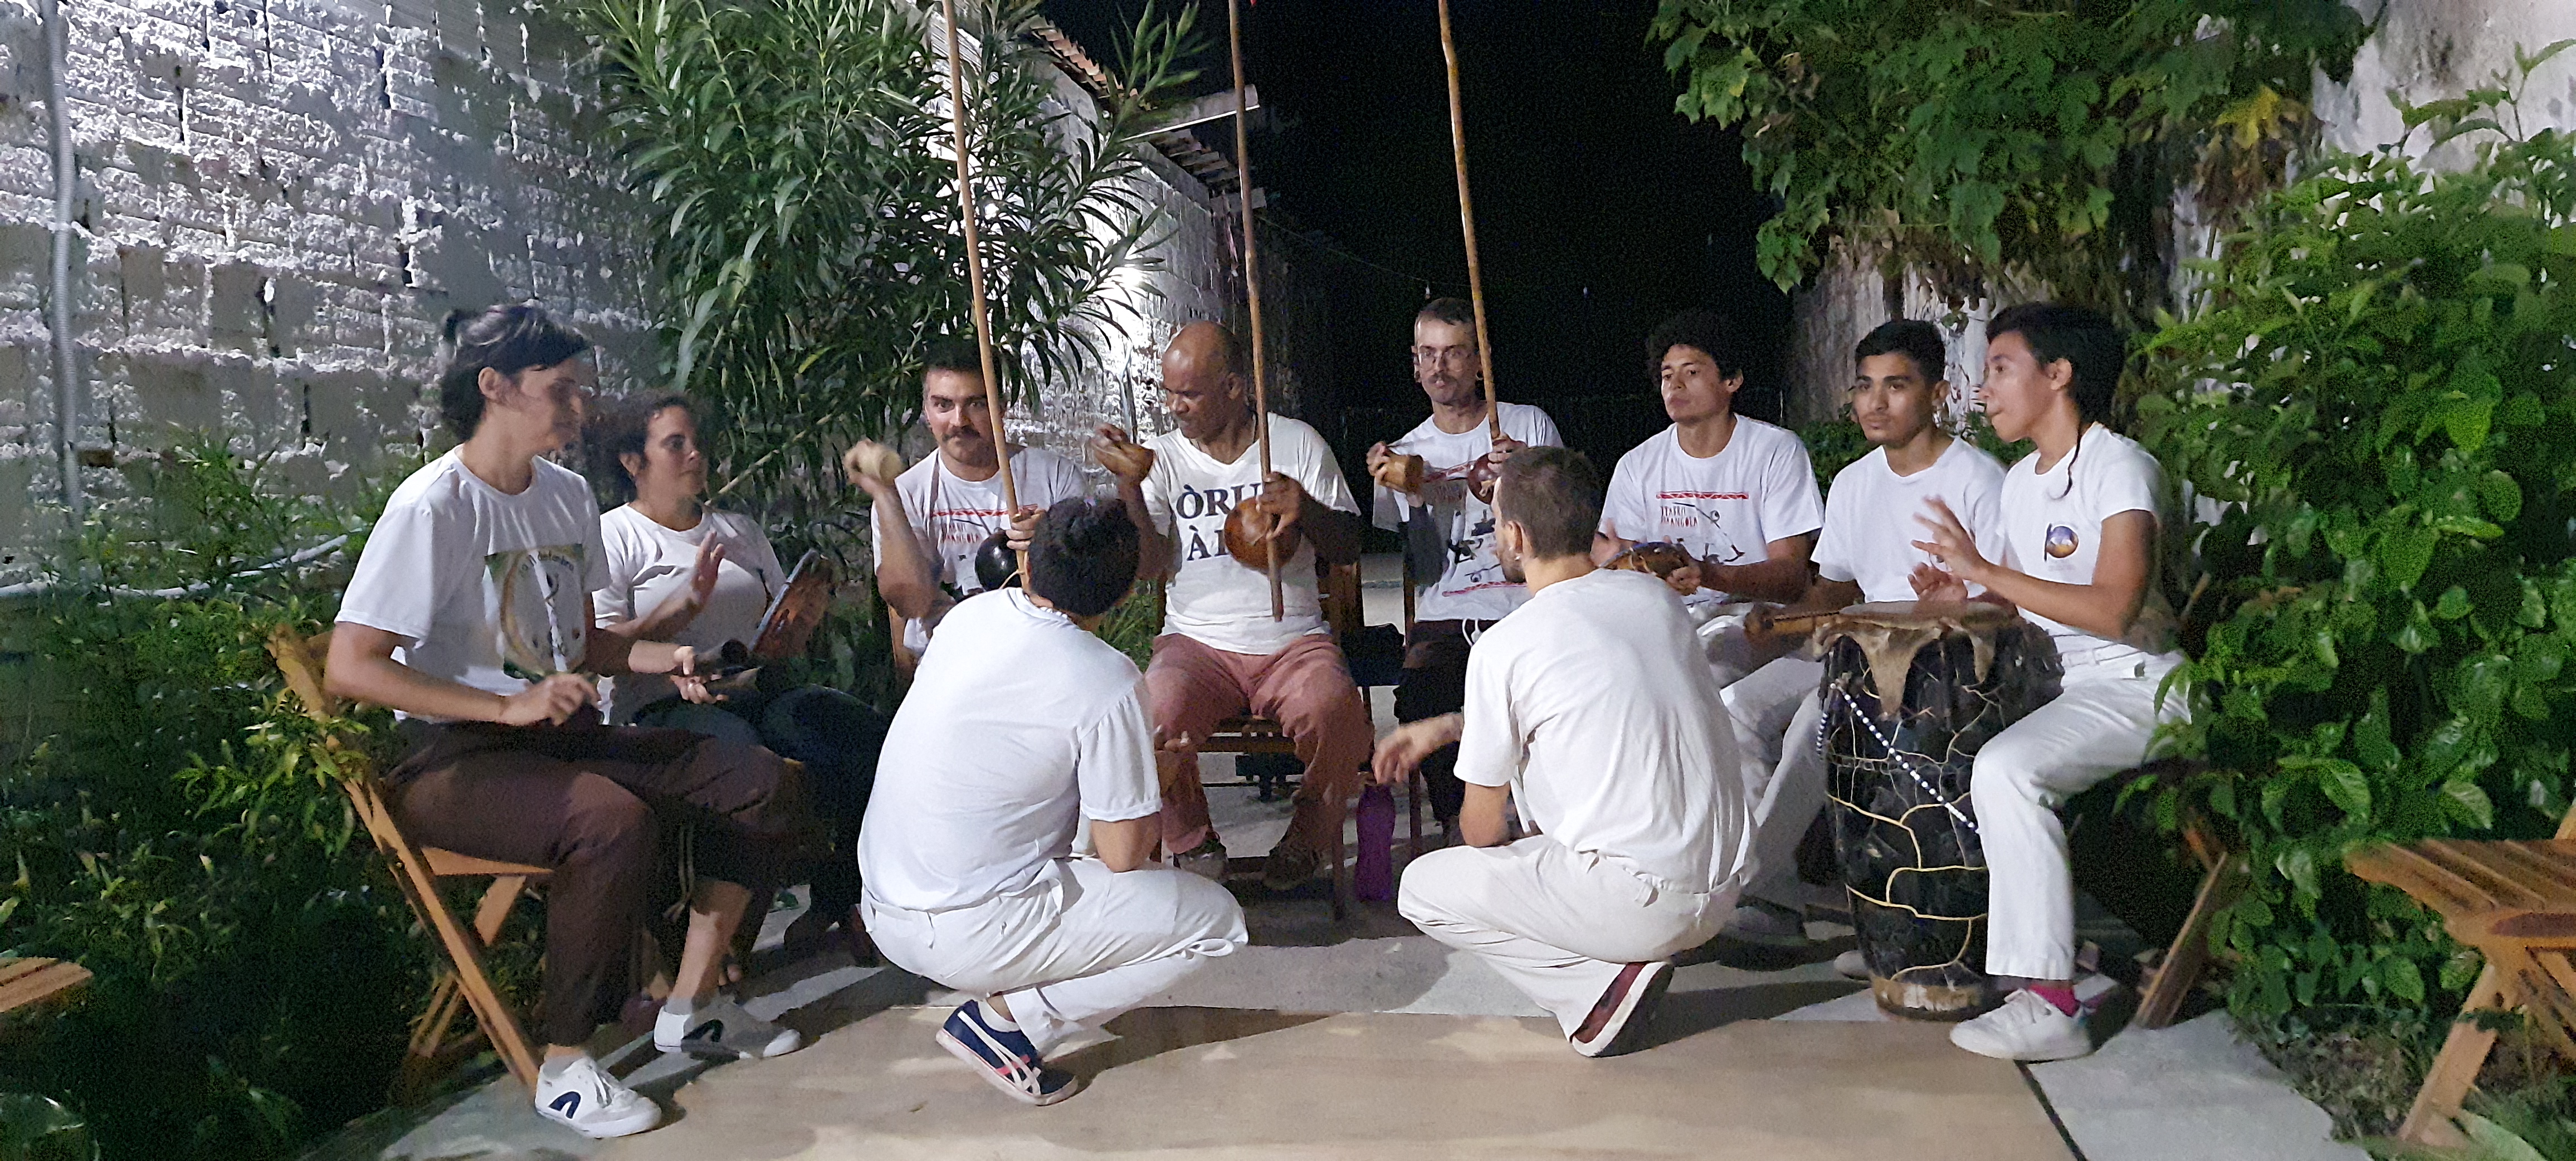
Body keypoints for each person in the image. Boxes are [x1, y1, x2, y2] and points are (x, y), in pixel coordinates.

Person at [326, 305, 806, 1140]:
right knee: (608, 818)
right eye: (561, 389)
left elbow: (583, 644)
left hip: (559, 739)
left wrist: (668, 654)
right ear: (495, 387)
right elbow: (351, 666)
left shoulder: (566, 495)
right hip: (451, 759)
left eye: (580, 389)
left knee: (759, 779)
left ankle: (692, 1006)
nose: (581, 407)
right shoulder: (434, 506)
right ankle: (566, 1066)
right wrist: (504, 704)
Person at [858, 499, 1248, 1105]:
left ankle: (1012, 998)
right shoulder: (1107, 676)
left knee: (1080, 806)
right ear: (1125, 595)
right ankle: (1008, 1023)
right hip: (966, 927)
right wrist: (1156, 773)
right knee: (1216, 923)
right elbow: (1124, 855)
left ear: (1028, 567)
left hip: (883, 906)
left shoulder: (967, 617)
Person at [1383, 446, 1751, 1057]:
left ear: (1516, 535)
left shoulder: (1505, 646)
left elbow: (1480, 832)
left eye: (1496, 521)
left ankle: (1594, 989)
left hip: (1641, 903)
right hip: (1724, 890)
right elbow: (1584, 697)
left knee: (1422, 887)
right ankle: (1614, 950)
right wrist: (1453, 727)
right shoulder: (1655, 600)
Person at [1908, 303, 2187, 1062]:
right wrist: (1967, 595)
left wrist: (1986, 571)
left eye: (2001, 369)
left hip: (2143, 685)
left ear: (2058, 374)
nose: (1984, 389)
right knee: (1937, 743)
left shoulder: (2120, 468)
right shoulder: (2022, 483)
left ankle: (2050, 1003)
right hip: (2070, 688)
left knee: (2007, 769)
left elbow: (2114, 606)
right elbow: (2025, 597)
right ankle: (1938, 942)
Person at [1724, 320, 2009, 949]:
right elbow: (1833, 588)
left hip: (1938, 666)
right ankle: (1775, 896)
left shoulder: (1976, 479)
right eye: (1864, 386)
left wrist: (1950, 606)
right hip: (1853, 648)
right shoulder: (1856, 480)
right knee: (1737, 706)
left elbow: (2003, 605)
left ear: (1938, 394)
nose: (1875, 403)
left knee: (1818, 723)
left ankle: (1753, 889)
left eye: (1896, 386)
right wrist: (1785, 621)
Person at [586, 393, 891, 960]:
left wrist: (799, 623)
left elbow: (774, 630)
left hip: (755, 687)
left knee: (862, 734)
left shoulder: (738, 530)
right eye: (675, 444)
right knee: (746, 761)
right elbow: (603, 648)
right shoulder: (614, 537)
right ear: (633, 461)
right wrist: (679, 621)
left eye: (696, 441)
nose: (695, 454)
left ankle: (841, 897)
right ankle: (709, 939)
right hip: (664, 703)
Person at [1096, 321, 1372, 889]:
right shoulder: (1162, 458)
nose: (1175, 407)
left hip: (1292, 641)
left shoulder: (1295, 443)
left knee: (1337, 712)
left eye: (1189, 394)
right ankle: (1193, 840)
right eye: (1169, 393)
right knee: (1152, 713)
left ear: (1234, 388)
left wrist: (1305, 508)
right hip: (1195, 644)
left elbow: (1348, 547)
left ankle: (1308, 835)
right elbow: (1148, 566)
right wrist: (1129, 486)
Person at [1366, 297, 1563, 835]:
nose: (1440, 366)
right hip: (1448, 613)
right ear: (1414, 364)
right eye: (1427, 354)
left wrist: (1529, 472)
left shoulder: (1525, 425)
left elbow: (1562, 533)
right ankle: (1462, 821)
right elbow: (1428, 569)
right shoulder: (1404, 452)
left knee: (1547, 686)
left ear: (1481, 361)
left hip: (1525, 603)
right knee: (1423, 693)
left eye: (1454, 353)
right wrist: (1413, 497)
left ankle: (1544, 814)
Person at [1595, 308, 1823, 625]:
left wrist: (1708, 574)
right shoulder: (1637, 465)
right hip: (1669, 623)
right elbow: (1617, 559)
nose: (1675, 385)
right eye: (1667, 376)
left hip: (1754, 624)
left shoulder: (1776, 450)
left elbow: (1792, 576)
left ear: (1732, 380)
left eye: (1691, 372)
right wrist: (1618, 563)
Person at [870, 339, 1092, 656]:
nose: (959, 421)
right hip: (946, 661)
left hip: (1038, 655)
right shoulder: (905, 495)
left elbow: (1087, 593)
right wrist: (884, 497)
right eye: (943, 405)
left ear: (1001, 407)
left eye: (976, 404)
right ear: (926, 411)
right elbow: (908, 603)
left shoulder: (1056, 477)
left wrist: (1052, 542)